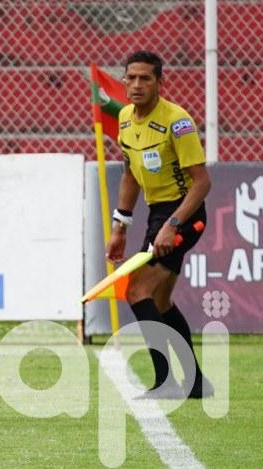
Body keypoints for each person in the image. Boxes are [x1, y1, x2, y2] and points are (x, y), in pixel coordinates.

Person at [106, 51, 213, 399]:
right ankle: (196, 384)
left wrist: (173, 224)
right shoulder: (123, 118)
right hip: (158, 216)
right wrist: (119, 227)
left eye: (145, 79)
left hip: (185, 214)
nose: (137, 84)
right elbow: (129, 175)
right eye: (131, 77)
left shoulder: (177, 121)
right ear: (123, 80)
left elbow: (202, 183)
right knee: (161, 301)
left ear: (159, 83)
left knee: (137, 290)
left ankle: (165, 382)